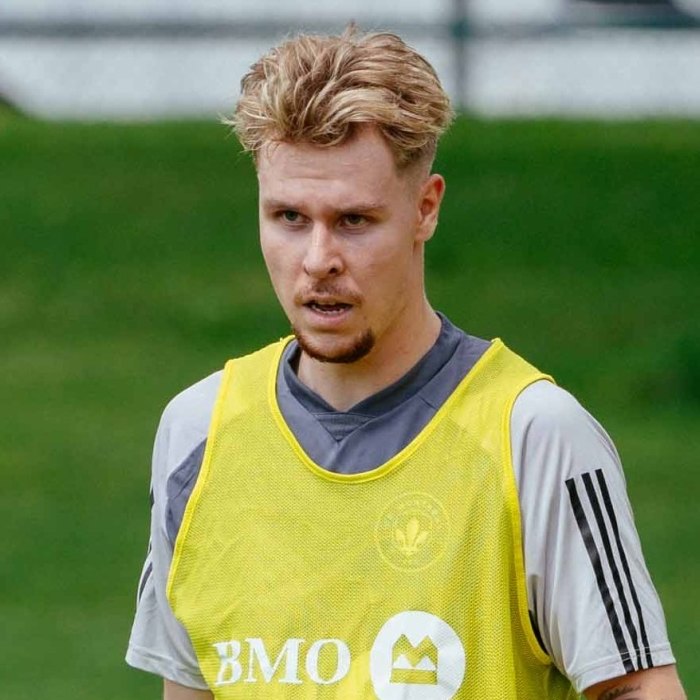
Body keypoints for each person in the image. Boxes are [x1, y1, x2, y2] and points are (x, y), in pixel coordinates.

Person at [126, 28, 686, 700]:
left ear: (425, 209)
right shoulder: (198, 433)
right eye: (289, 217)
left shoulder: (534, 437)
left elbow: (638, 686)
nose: (318, 260)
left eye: (354, 221)